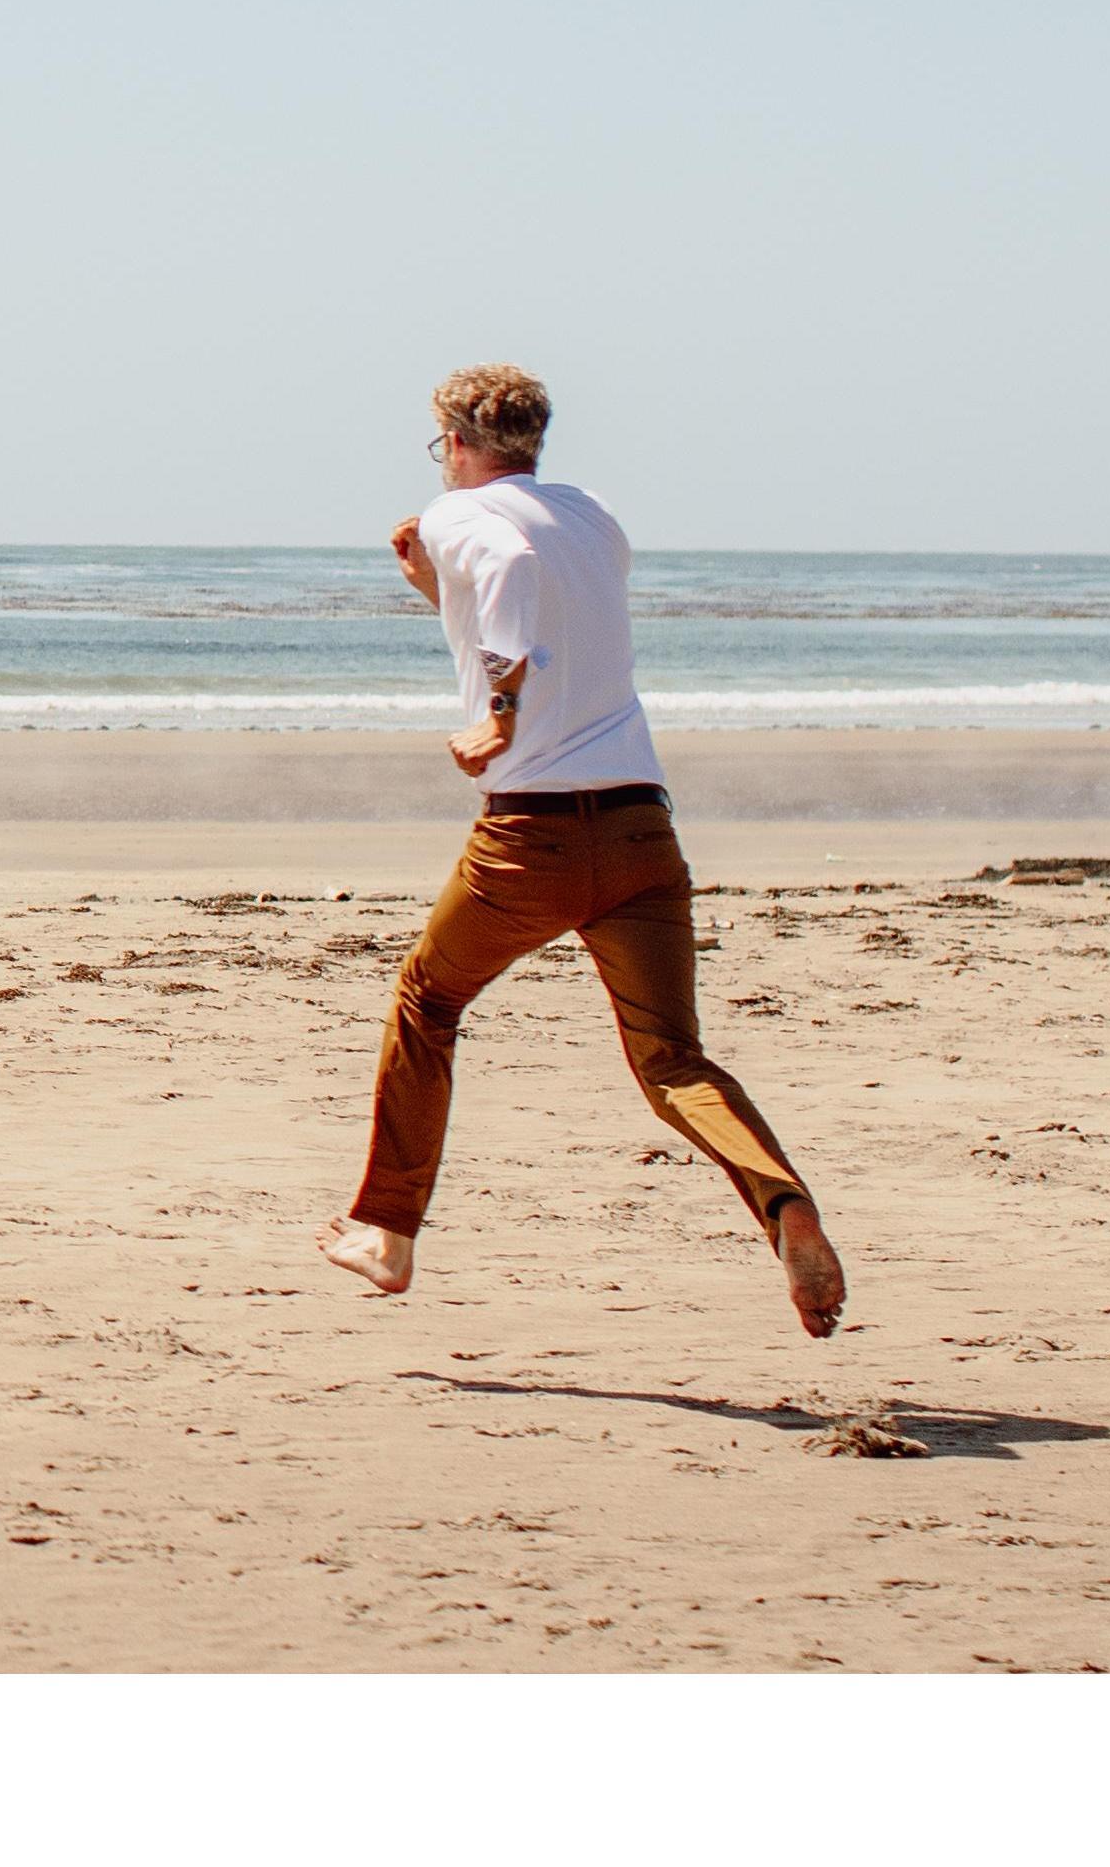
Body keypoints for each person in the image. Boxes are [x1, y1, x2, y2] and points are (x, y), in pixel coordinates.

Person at [315, 364, 846, 1339]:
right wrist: (439, 592)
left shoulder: (456, 514)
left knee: (427, 1000)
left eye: (441, 452)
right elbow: (536, 589)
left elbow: (510, 580)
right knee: (672, 1060)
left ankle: (385, 1231)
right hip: (640, 829)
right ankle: (781, 1203)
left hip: (531, 837)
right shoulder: (591, 515)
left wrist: (500, 711)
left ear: (458, 445)